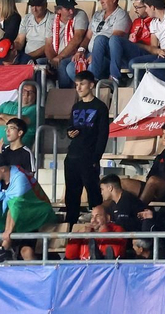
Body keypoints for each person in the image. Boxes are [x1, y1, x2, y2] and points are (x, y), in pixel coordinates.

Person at [63, 71, 110, 224]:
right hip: (72, 156)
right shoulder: (76, 106)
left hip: (88, 157)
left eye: (82, 84)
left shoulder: (100, 107)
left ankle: (98, 224)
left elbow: (103, 135)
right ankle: (70, 228)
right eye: (77, 85)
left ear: (91, 85)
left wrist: (96, 158)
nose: (79, 87)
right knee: (71, 196)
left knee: (94, 194)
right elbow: (70, 127)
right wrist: (70, 133)